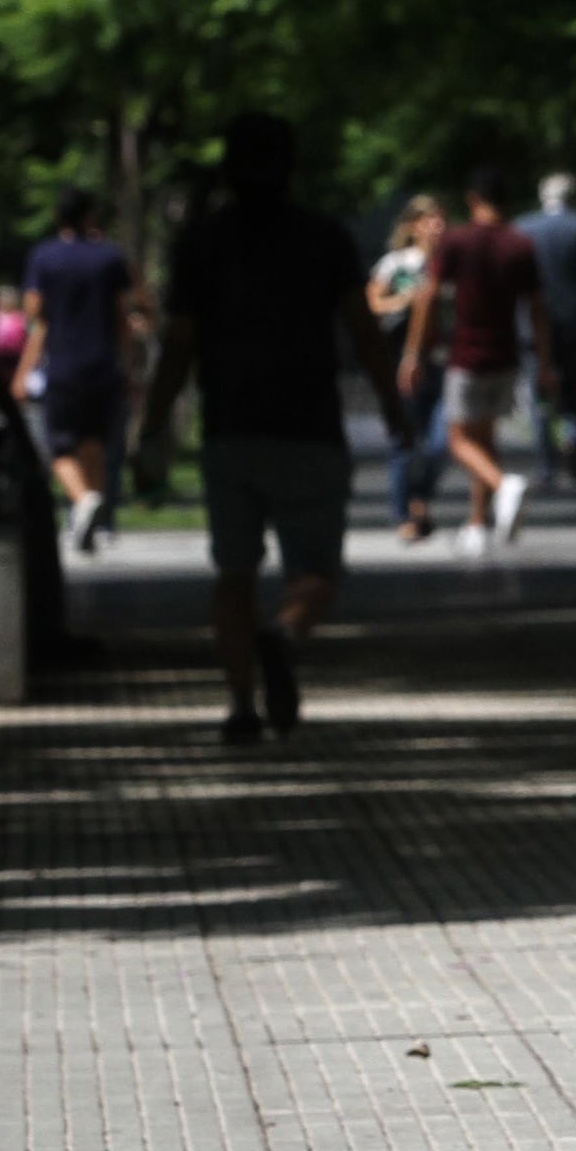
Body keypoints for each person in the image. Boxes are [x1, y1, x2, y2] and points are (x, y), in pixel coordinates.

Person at [133, 114, 405, 745]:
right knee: (317, 571)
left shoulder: (201, 243)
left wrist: (152, 425)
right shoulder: (325, 238)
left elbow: (179, 343)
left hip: (230, 428)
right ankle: (283, 635)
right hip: (310, 425)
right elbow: (363, 331)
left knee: (234, 573)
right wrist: (393, 404)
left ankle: (239, 705)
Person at [402, 168, 548, 556]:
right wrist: (545, 362)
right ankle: (478, 522)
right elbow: (537, 308)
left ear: (472, 200)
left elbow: (427, 296)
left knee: (458, 439)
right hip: (506, 356)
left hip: (465, 354)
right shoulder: (520, 245)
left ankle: (503, 487)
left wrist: (413, 353)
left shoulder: (456, 241)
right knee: (484, 439)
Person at [15, 186, 139, 553]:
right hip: (104, 365)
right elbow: (123, 320)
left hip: (63, 366)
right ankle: (96, 521)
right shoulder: (109, 258)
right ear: (91, 216)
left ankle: (82, 501)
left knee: (59, 448)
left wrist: (23, 371)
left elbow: (35, 317)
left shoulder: (45, 258)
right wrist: (130, 369)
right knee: (94, 443)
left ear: (58, 217)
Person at [368, 196, 449, 541]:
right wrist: (406, 301)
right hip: (403, 358)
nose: (438, 227)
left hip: (444, 359)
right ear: (414, 225)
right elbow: (373, 302)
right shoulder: (397, 264)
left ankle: (421, 498)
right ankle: (405, 512)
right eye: (430, 220)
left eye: (441, 220)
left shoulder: (450, 263)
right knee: (405, 440)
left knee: (441, 441)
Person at [516, 172, 576, 487]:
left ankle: (547, 463)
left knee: (540, 392)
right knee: (575, 388)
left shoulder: (524, 228)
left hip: (532, 324)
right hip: (575, 322)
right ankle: (574, 434)